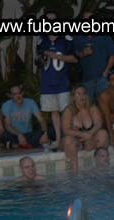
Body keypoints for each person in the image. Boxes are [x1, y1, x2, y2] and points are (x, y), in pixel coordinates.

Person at [37, 13, 77, 148]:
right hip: (47, 83)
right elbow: (39, 62)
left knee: (66, 111)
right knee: (54, 112)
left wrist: (55, 56)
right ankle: (59, 140)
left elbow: (74, 58)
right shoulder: (42, 39)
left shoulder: (66, 37)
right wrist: (42, 59)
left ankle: (69, 138)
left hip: (62, 82)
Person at [62, 84, 109, 172]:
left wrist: (90, 133)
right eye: (78, 94)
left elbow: (99, 123)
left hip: (89, 142)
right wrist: (82, 134)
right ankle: (75, 170)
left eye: (83, 93)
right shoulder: (68, 110)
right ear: (73, 97)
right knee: (68, 140)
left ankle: (101, 167)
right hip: (75, 143)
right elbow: (66, 130)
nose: (82, 96)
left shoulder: (92, 107)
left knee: (103, 134)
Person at [73, 11, 114, 100]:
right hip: (86, 80)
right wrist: (83, 53)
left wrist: (106, 72)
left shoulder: (105, 36)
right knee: (89, 107)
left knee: (104, 107)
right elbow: (74, 55)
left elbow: (113, 55)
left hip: (102, 79)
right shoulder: (78, 37)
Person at [0, 84, 50, 149]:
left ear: (22, 93)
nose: (18, 96)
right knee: (5, 135)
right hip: (15, 134)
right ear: (10, 96)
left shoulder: (30, 102)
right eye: (15, 94)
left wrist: (45, 133)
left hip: (29, 134)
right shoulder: (6, 105)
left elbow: (41, 120)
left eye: (19, 93)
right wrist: (19, 134)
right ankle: (29, 145)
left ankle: (17, 146)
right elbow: (7, 125)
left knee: (48, 131)